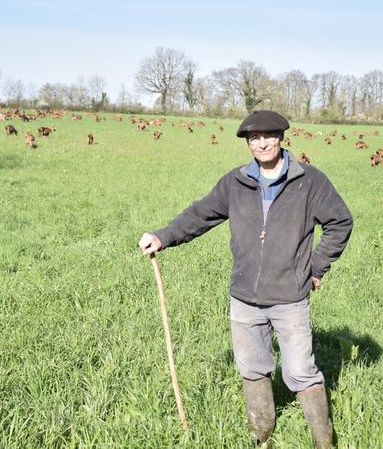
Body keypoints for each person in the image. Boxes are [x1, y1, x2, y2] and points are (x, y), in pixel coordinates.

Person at [139, 110, 353, 448]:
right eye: (254, 138)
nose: (262, 143)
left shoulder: (309, 181)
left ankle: (323, 442)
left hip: (290, 296)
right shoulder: (235, 182)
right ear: (248, 143)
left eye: (268, 136)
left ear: (281, 138)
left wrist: (315, 267)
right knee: (252, 367)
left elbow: (340, 222)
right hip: (244, 297)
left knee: (301, 371)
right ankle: (260, 434)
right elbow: (201, 214)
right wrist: (163, 236)